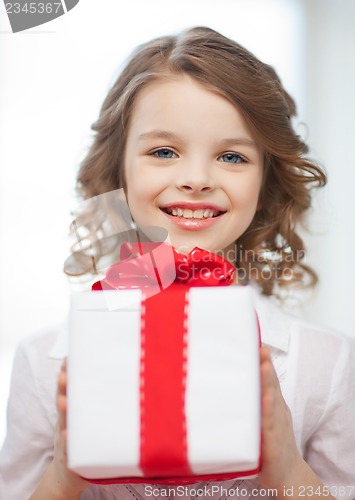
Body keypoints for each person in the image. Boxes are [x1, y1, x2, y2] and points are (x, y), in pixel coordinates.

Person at [0, 26, 354, 500]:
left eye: (231, 156)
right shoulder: (44, 361)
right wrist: (66, 473)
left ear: (266, 181)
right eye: (163, 152)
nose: (195, 179)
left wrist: (289, 469)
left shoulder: (326, 363)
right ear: (119, 170)